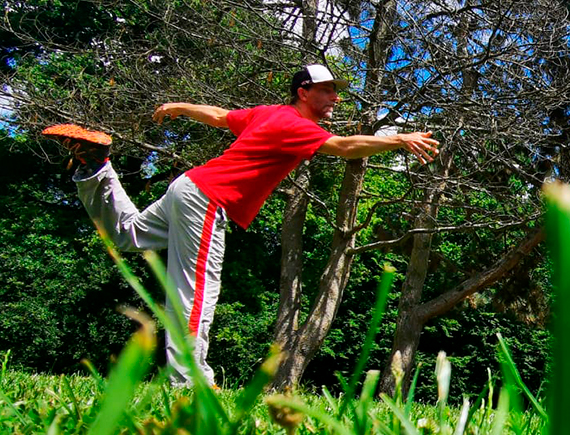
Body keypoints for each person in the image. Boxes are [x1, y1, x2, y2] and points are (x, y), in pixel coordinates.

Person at [43, 64, 440, 386]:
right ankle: (189, 383)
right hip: (206, 198)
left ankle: (96, 165)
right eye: (327, 90)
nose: (335, 97)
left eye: (336, 90)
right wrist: (398, 139)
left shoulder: (267, 114)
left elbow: (218, 116)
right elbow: (343, 146)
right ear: (303, 91)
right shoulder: (298, 126)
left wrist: (180, 106)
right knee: (195, 291)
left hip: (189, 187)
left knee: (126, 234)